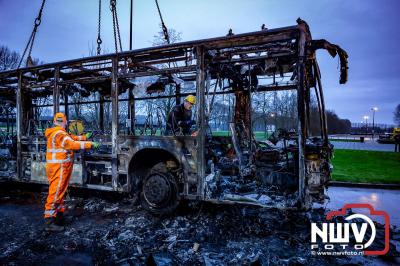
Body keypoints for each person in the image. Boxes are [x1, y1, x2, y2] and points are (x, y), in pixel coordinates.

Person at [44, 113, 99, 232]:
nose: (66, 123)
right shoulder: (59, 134)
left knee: (60, 192)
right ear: (63, 121)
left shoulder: (59, 133)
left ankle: (58, 217)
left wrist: (85, 137)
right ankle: (49, 221)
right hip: (59, 167)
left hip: (60, 167)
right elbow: (71, 144)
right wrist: (90, 144)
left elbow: (71, 138)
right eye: (65, 121)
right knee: (56, 192)